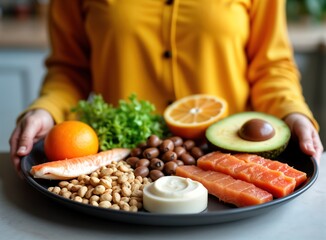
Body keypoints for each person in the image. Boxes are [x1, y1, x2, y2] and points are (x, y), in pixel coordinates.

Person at [10, 0, 323, 173]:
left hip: (230, 161)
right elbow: (70, 68)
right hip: (121, 164)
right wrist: (46, 109)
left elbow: (271, 67)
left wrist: (292, 112)